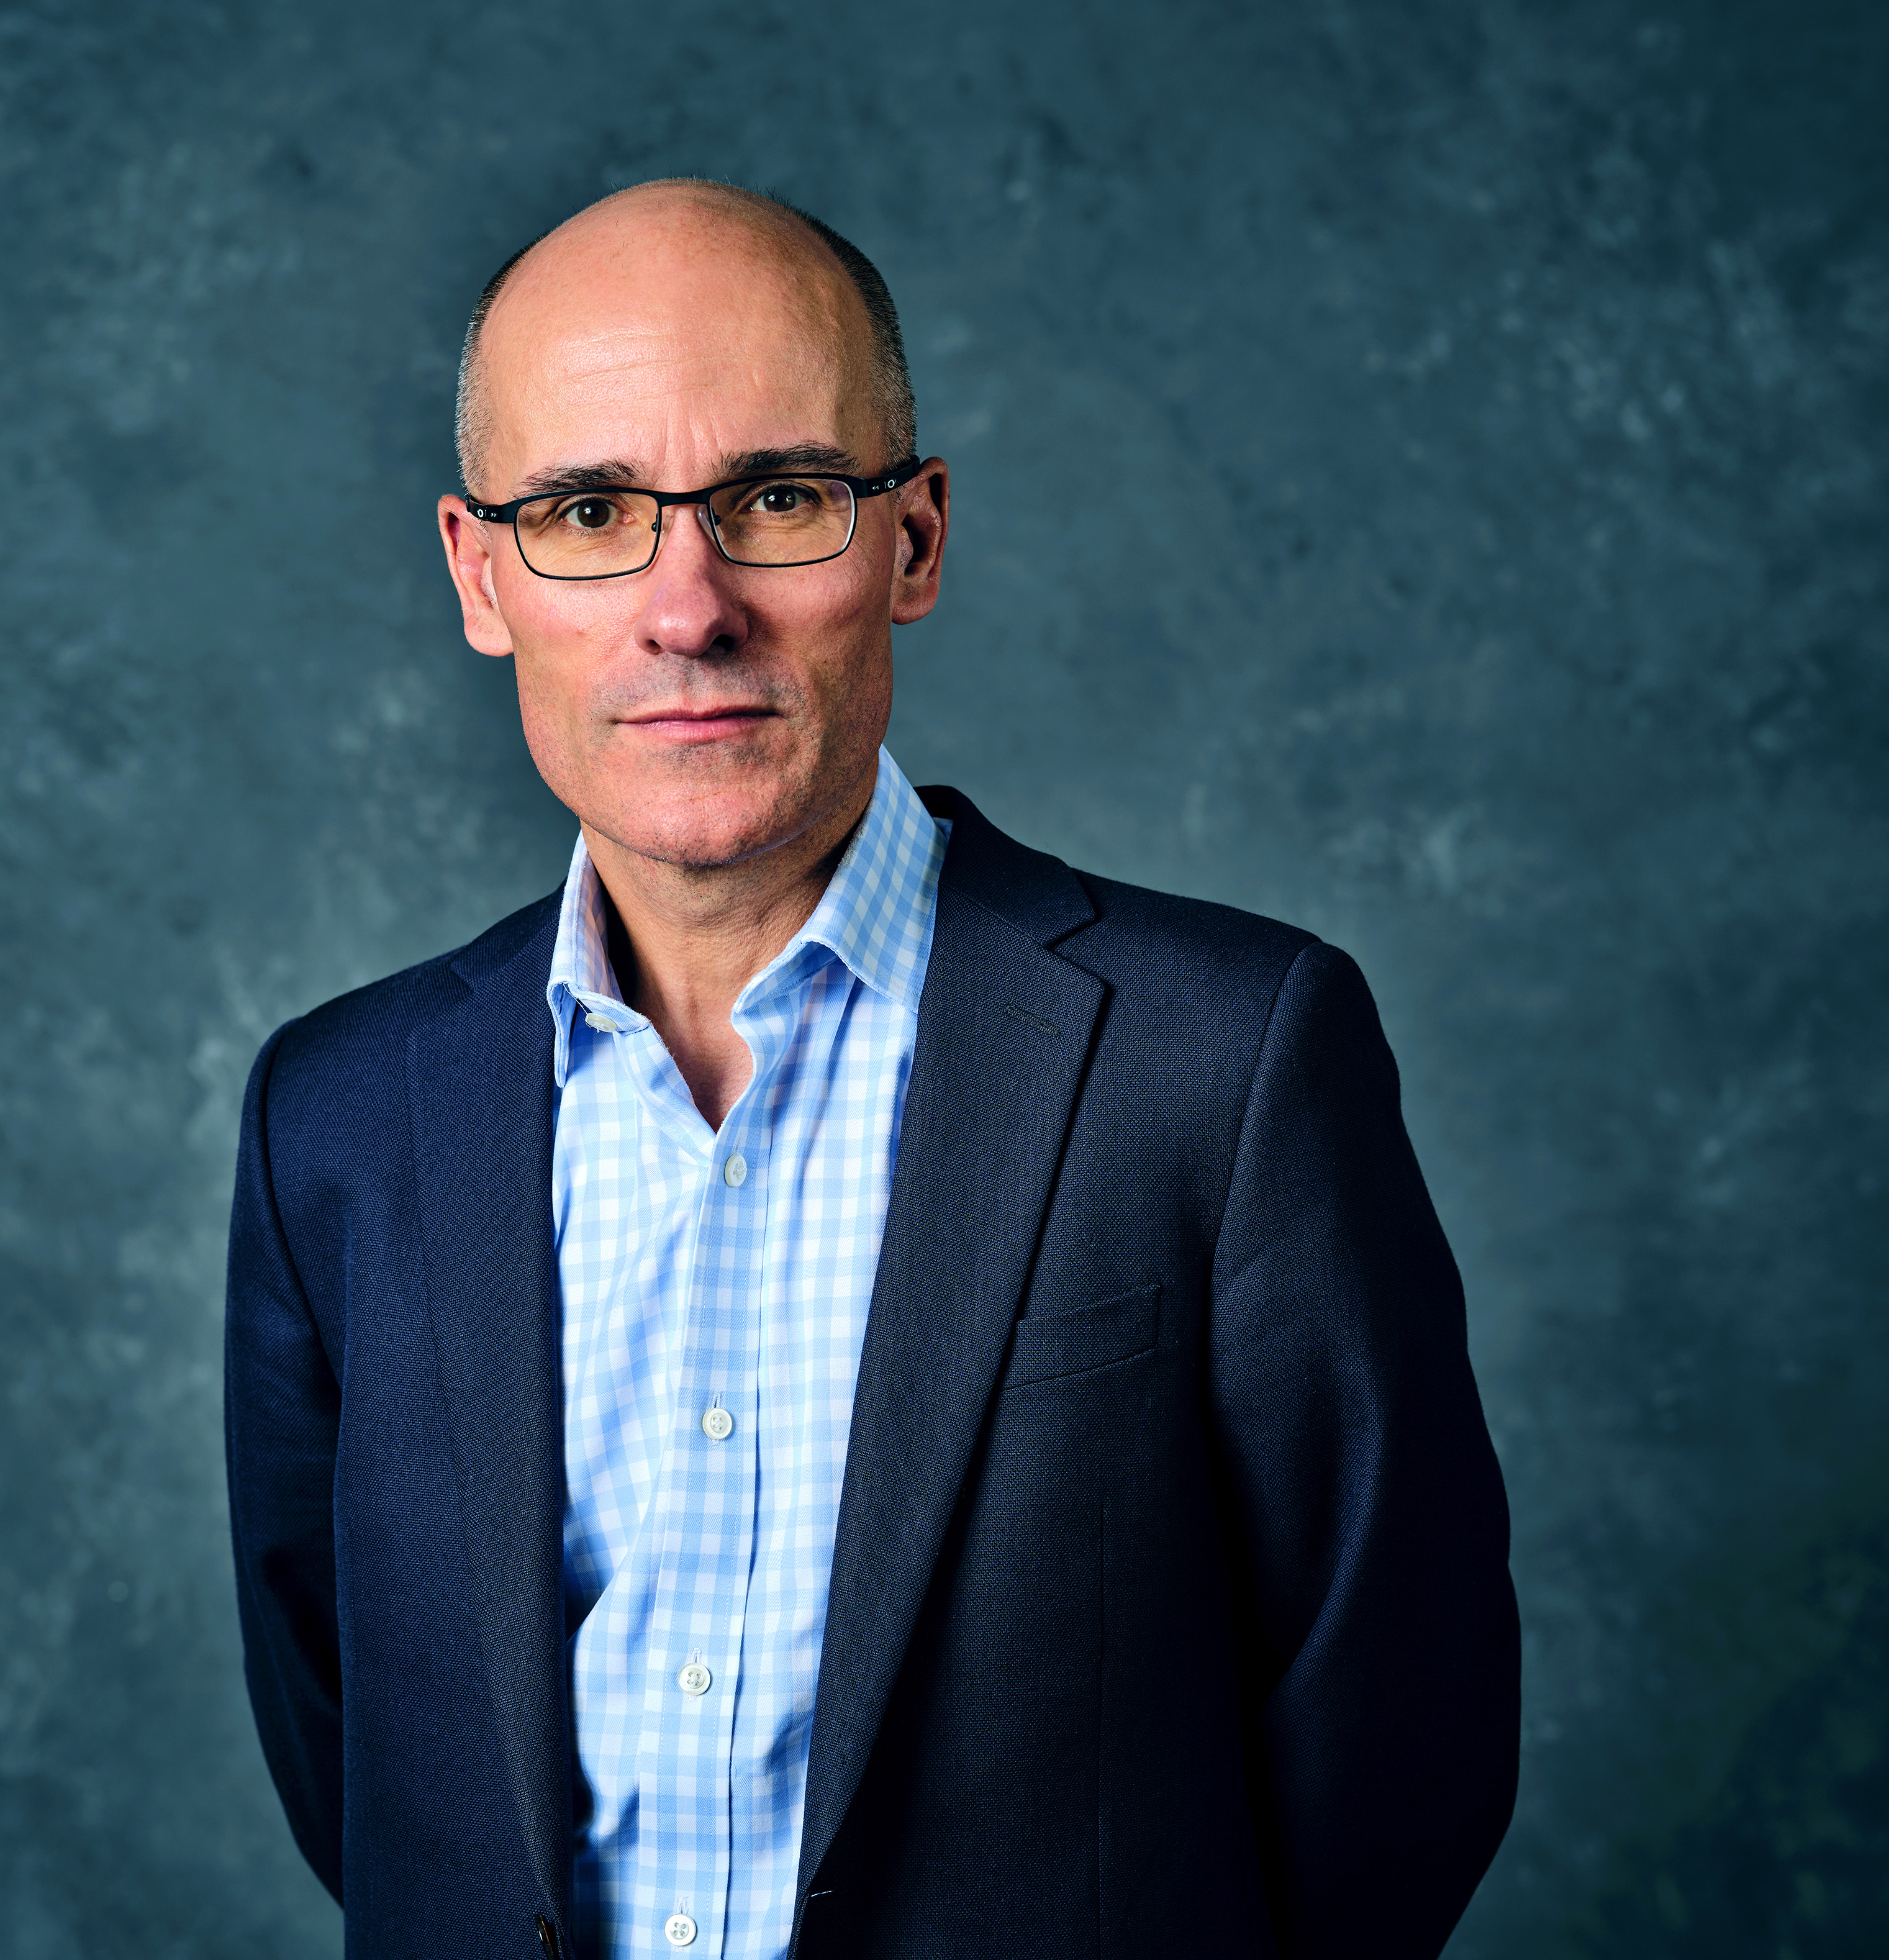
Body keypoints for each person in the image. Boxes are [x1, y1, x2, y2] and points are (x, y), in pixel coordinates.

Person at [224, 179, 1519, 1960]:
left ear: (912, 538)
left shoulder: (1225, 1062)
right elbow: (365, 1768)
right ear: (480, 573)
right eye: (589, 511)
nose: (688, 609)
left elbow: (1398, 1757)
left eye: (777, 498)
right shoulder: (339, 1118)